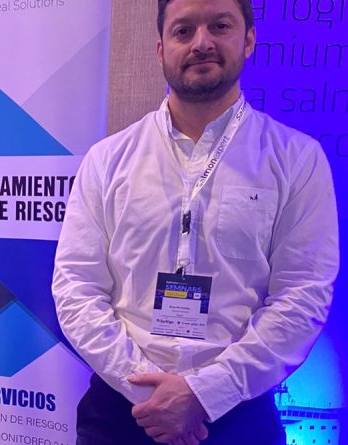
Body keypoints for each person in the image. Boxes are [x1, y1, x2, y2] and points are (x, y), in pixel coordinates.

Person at [52, 0, 339, 444]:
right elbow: (75, 285)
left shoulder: (296, 159)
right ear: (160, 49)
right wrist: (148, 392)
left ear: (248, 39)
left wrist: (206, 394)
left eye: (219, 26)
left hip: (238, 414)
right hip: (120, 410)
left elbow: (303, 294)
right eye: (183, 31)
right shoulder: (107, 160)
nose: (201, 42)